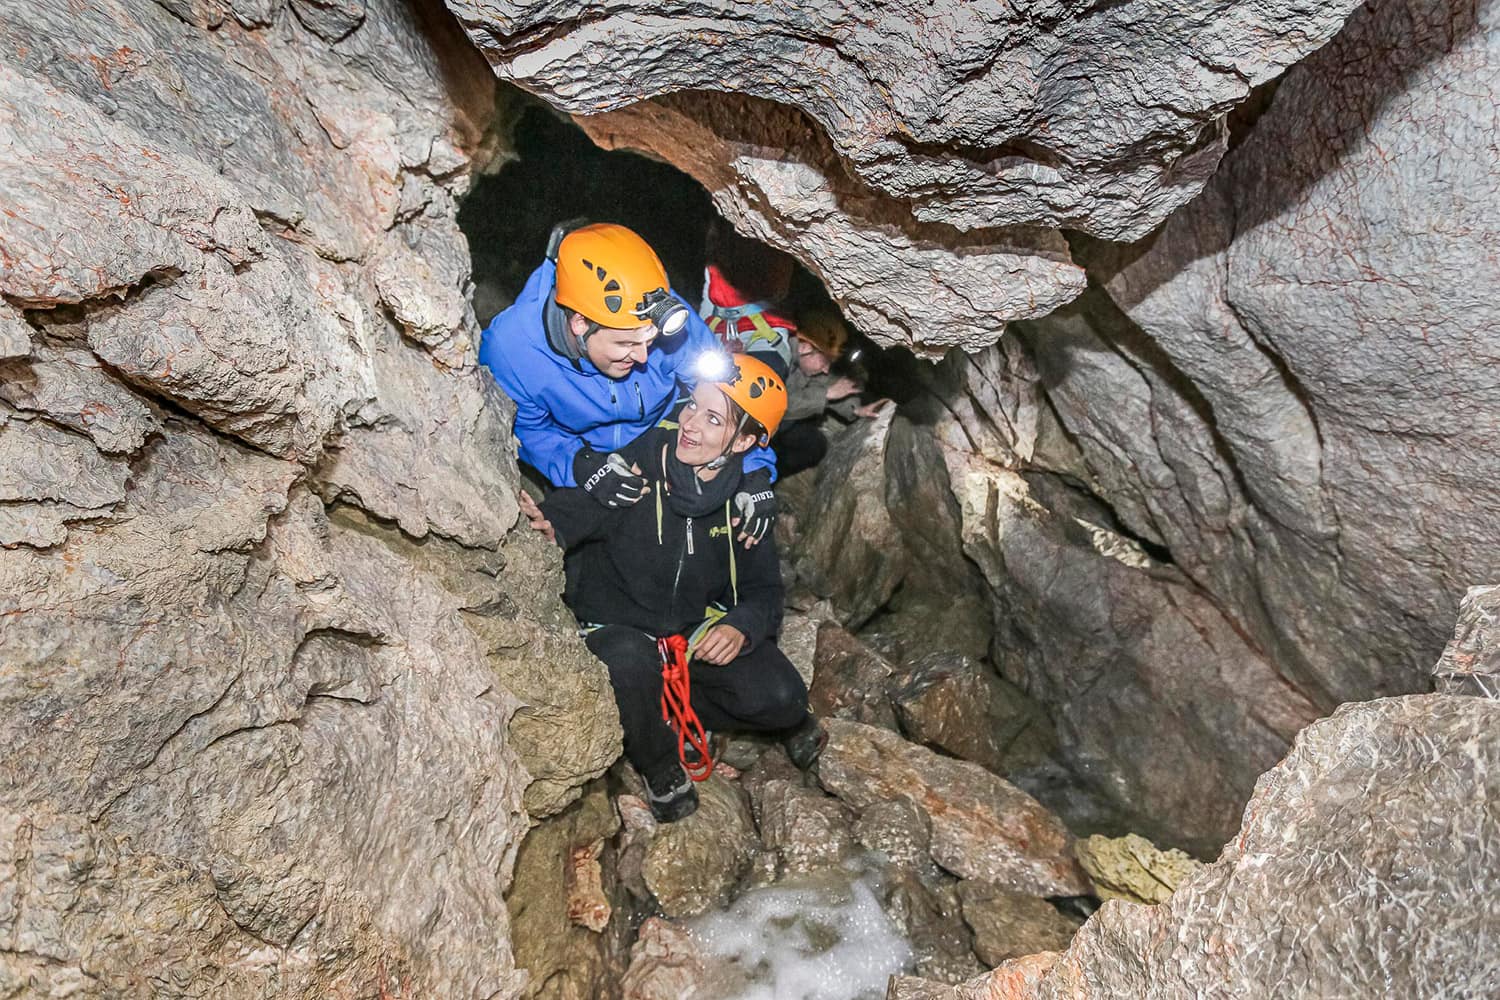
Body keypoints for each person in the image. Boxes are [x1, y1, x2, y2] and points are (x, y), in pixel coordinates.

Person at [519, 353, 825, 822]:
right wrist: (550, 522)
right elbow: (582, 508)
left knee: (783, 699)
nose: (690, 424)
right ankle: (658, 762)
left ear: (743, 441)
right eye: (692, 407)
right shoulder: (641, 468)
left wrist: (742, 626)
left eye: (712, 419)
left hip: (688, 632)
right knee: (627, 664)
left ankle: (663, 711)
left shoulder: (743, 507)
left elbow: (765, 591)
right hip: (618, 625)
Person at [480, 221, 778, 542]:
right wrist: (579, 463)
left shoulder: (662, 314)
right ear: (580, 322)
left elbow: (728, 400)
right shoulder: (512, 350)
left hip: (662, 437)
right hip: (586, 448)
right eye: (626, 345)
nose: (642, 357)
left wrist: (755, 469)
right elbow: (527, 430)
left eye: (650, 341)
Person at [775, 308, 891, 476]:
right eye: (825, 360)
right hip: (752, 424)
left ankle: (771, 474)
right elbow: (777, 406)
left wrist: (856, 409)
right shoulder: (775, 356)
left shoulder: (806, 362)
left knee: (814, 446)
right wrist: (826, 394)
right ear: (804, 346)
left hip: (780, 427)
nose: (826, 368)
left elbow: (826, 382)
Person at [699, 220, 797, 374]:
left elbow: (779, 294)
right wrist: (703, 342)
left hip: (764, 333)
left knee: (755, 382)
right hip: (721, 334)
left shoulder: (774, 257)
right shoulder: (715, 266)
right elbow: (708, 306)